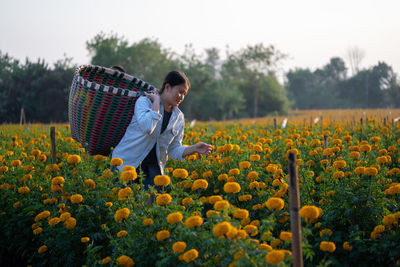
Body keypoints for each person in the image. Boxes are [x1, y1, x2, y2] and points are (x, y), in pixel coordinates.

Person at [111, 70, 213, 191]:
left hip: (152, 171)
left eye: (184, 94)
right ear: (168, 87)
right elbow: (148, 127)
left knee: (150, 209)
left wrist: (194, 148)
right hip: (126, 164)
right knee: (122, 205)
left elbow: (173, 150)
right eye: (180, 92)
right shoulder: (144, 102)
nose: (181, 97)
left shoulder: (178, 117)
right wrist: (156, 102)